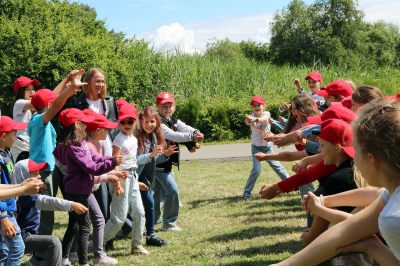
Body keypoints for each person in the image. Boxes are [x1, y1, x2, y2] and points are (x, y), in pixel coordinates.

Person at [271, 101, 400, 266]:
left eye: (355, 150)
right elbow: (346, 228)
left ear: (371, 160)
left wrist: (374, 248)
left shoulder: (394, 217)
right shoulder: (393, 194)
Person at [53, 108, 122, 266]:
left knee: (74, 224)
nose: (87, 126)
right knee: (85, 227)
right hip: (78, 193)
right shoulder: (73, 146)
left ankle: (64, 258)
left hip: (82, 190)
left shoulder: (81, 143)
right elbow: (91, 167)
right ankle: (84, 263)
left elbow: (95, 158)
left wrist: (108, 159)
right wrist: (112, 163)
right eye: (84, 123)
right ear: (77, 125)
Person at [27, 70, 85, 241]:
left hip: (47, 169)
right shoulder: (39, 120)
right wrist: (69, 89)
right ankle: (42, 255)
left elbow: (51, 98)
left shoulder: (37, 118)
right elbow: (57, 104)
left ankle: (42, 251)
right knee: (47, 214)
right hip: (42, 172)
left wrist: (67, 80)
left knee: (48, 212)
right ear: (49, 106)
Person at [72, 68, 120, 250]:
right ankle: (94, 239)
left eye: (103, 81)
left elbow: (113, 127)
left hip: (107, 147)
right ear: (88, 82)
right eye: (97, 81)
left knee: (109, 192)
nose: (100, 85)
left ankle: (107, 239)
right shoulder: (79, 103)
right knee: (97, 192)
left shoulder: (109, 101)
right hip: (90, 149)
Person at [15, 159, 88, 266]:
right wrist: (71, 204)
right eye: (35, 174)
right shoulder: (25, 196)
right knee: (53, 242)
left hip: (26, 236)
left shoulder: (25, 193)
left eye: (39, 173)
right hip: (21, 238)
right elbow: (47, 202)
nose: (39, 176)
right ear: (23, 176)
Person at [103, 104, 149, 255]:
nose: (127, 125)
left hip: (132, 177)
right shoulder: (118, 140)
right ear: (118, 122)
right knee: (119, 218)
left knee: (139, 213)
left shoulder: (134, 139)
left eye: (130, 121)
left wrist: (136, 182)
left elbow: (132, 162)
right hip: (121, 178)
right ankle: (98, 243)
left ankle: (136, 245)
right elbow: (113, 163)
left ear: (135, 121)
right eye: (123, 122)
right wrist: (117, 183)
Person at [155, 92, 204, 232]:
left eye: (170, 106)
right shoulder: (157, 122)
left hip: (166, 162)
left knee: (158, 193)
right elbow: (172, 135)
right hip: (158, 162)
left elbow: (184, 127)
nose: (167, 108)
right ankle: (169, 224)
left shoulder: (173, 120)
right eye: (164, 106)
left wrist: (196, 132)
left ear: (174, 107)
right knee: (172, 190)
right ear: (158, 106)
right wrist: (192, 136)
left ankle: (154, 220)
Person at [10, 73, 78, 163]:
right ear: (20, 91)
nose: (32, 92)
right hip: (21, 149)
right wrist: (67, 84)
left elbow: (48, 98)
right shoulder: (19, 103)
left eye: (33, 89)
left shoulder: (33, 109)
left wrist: (67, 90)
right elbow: (48, 98)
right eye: (27, 89)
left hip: (31, 148)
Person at [135, 106, 178, 246]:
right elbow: (133, 161)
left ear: (157, 122)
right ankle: (110, 239)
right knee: (129, 210)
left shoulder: (154, 136)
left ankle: (150, 235)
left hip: (142, 175)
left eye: (152, 121)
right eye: (146, 121)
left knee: (149, 203)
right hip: (131, 174)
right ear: (140, 121)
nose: (149, 125)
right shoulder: (135, 137)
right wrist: (151, 155)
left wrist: (165, 155)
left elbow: (154, 159)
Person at [243, 96, 289, 199]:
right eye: (254, 105)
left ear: (263, 106)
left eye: (259, 105)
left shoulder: (266, 114)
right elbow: (247, 121)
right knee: (256, 170)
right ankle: (247, 191)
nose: (256, 107)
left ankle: (292, 185)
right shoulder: (250, 116)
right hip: (256, 148)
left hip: (267, 148)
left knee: (278, 167)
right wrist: (248, 119)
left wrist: (255, 119)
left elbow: (263, 119)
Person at [0, 116, 28, 266]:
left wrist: (13, 207)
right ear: (4, 136)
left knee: (3, 250)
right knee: (17, 248)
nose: (16, 137)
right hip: (2, 212)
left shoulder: (6, 153)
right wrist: (3, 215)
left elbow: (9, 182)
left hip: (8, 209)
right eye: (14, 134)